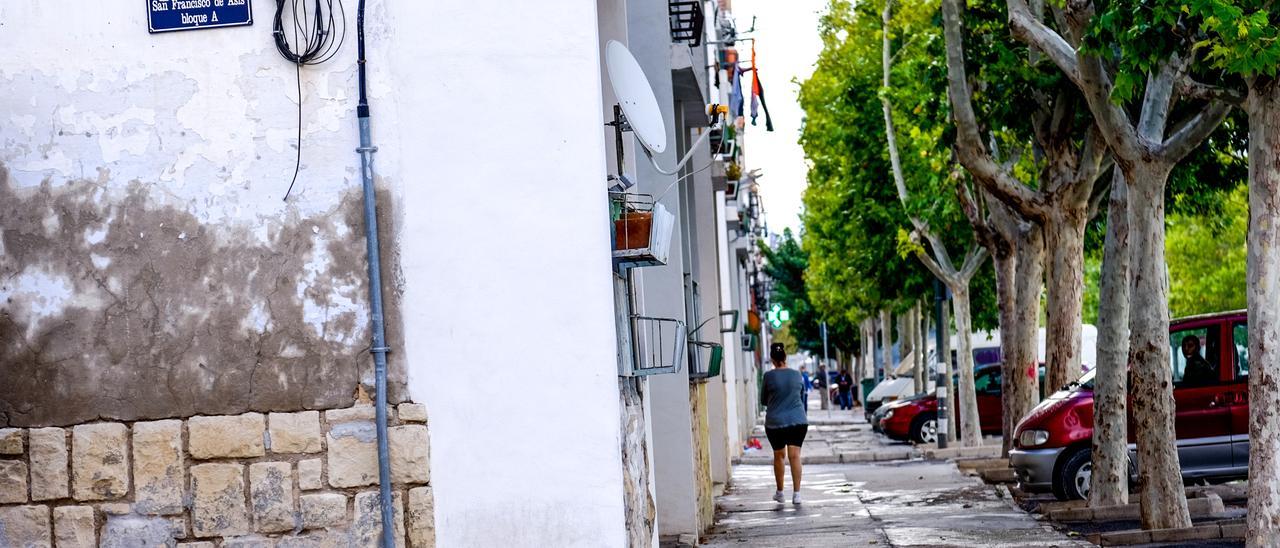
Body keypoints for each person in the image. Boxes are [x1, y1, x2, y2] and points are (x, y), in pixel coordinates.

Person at [760, 342, 808, 505]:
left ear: (772, 359)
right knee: (795, 456)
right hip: (798, 420)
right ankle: (797, 495)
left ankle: (780, 493)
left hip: (776, 422)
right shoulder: (797, 375)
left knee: (779, 456)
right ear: (785, 357)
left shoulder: (768, 376)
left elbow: (763, 400)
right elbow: (801, 396)